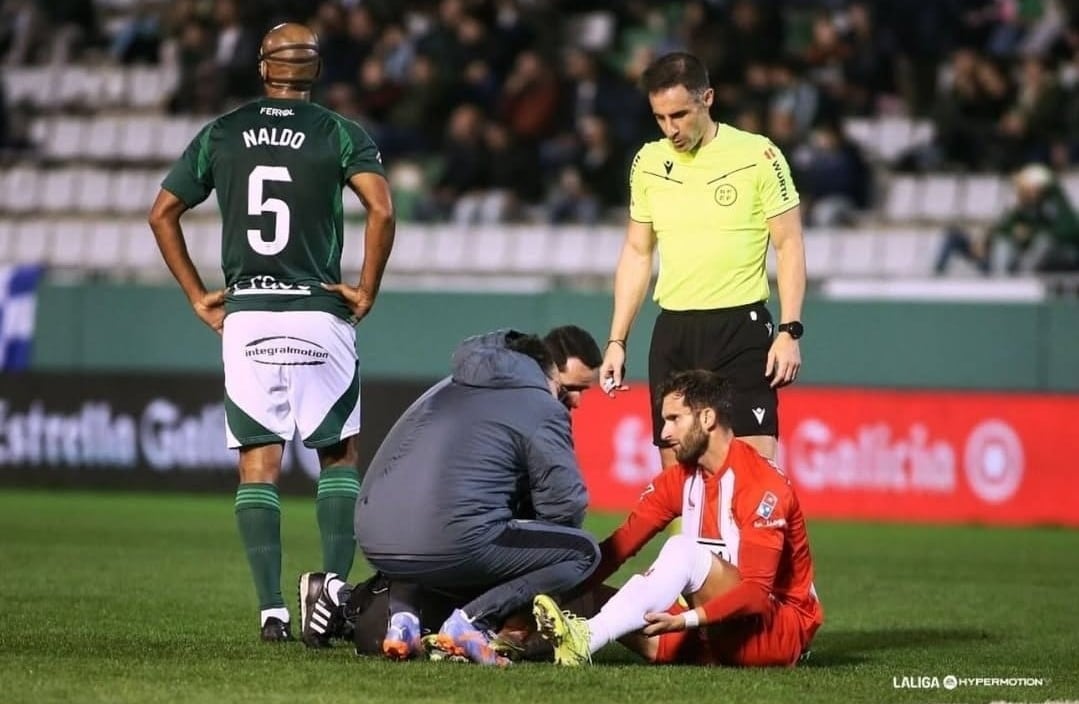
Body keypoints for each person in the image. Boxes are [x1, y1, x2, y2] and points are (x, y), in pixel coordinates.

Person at [147, 23, 395, 642]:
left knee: (259, 464)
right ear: (316, 71)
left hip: (249, 313)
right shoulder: (341, 133)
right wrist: (366, 288)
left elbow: (162, 212)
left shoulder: (223, 134)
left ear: (263, 69)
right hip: (318, 308)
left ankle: (271, 612)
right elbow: (382, 209)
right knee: (337, 454)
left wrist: (197, 296)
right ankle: (333, 595)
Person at [297, 327, 603, 665]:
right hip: (448, 539)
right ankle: (473, 622)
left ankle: (402, 620)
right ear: (547, 371)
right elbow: (565, 508)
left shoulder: (447, 387)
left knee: (432, 512)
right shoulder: (541, 405)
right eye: (571, 388)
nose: (576, 400)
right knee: (582, 552)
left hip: (374, 534)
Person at [533, 370, 823, 667]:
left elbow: (757, 595)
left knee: (682, 549)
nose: (664, 434)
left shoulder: (760, 486)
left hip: (774, 633)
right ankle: (515, 638)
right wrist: (553, 589)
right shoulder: (680, 479)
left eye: (674, 419)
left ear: (707, 418)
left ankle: (586, 638)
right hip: (712, 633)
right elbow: (620, 547)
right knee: (584, 596)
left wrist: (686, 620)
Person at [599, 52, 807, 466]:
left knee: (755, 476)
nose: (670, 128)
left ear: (707, 98)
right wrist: (617, 341)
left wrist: (789, 330)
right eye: (660, 118)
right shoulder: (648, 163)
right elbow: (638, 252)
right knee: (679, 486)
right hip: (674, 332)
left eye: (679, 114)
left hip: (740, 330)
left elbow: (789, 245)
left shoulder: (758, 155)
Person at [934, 163, 1079, 275]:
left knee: (1026, 242)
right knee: (954, 235)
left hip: (1020, 265)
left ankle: (1007, 282)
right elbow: (1003, 228)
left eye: (1028, 188)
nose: (1023, 192)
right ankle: (935, 278)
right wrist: (984, 242)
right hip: (997, 259)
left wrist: (1028, 234)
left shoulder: (1050, 211)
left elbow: (1066, 230)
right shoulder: (1018, 210)